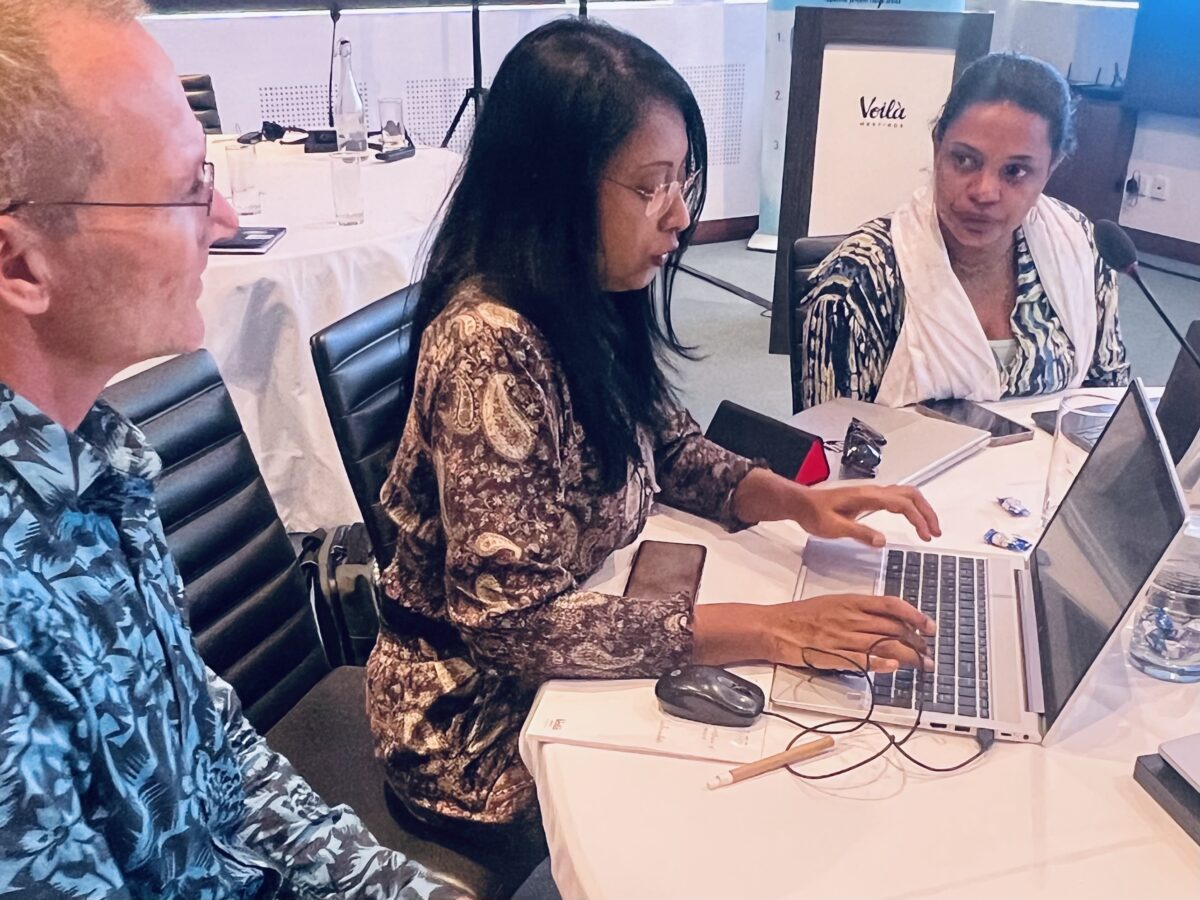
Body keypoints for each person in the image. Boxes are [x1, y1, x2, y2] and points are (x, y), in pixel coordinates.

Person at [367, 17, 942, 841]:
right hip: (475, 726)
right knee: (764, 799)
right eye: (651, 187)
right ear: (553, 190)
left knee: (806, 742)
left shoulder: (590, 289)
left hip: (575, 640)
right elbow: (511, 627)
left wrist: (793, 501)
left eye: (682, 180)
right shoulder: (487, 347)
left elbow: (667, 448)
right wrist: (772, 630)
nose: (678, 216)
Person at [0, 2, 461, 896]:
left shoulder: (94, 462)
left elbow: (216, 761)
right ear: (22, 265)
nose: (222, 216)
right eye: (182, 189)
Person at [795, 53, 1131, 409]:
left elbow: (1107, 399)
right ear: (937, 146)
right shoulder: (860, 279)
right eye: (965, 160)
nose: (984, 192)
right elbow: (831, 438)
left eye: (1015, 171)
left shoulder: (1080, 246)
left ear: (1051, 169)